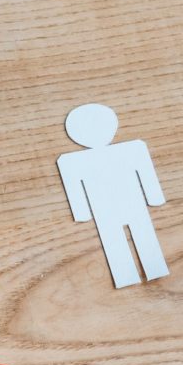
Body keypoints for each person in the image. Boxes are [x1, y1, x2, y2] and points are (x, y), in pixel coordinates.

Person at [59, 103, 169, 287]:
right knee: (123, 240)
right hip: (110, 208)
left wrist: (82, 214)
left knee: (130, 237)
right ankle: (130, 275)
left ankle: (145, 271)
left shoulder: (72, 161)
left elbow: (146, 174)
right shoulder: (133, 149)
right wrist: (154, 198)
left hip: (114, 207)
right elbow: (147, 176)